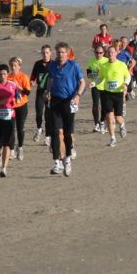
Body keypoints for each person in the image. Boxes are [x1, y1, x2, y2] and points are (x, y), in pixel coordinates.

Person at [45, 42, 86, 176]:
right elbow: (50, 79)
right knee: (56, 133)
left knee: (67, 134)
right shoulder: (52, 66)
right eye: (58, 52)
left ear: (67, 53)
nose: (60, 55)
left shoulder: (74, 66)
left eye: (63, 52)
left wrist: (78, 95)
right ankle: (57, 162)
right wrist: (48, 90)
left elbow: (82, 82)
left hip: (69, 101)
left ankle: (67, 158)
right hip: (55, 101)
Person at [0, 64, 18, 178]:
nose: (3, 76)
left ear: (8, 74)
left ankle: (4, 168)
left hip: (10, 116)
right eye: (0, 74)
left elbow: (18, 99)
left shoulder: (13, 85)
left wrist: (15, 101)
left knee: (7, 143)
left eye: (5, 74)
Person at [100, 45, 130, 148]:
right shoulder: (103, 66)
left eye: (112, 52)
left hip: (118, 93)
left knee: (118, 118)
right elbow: (100, 78)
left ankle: (122, 125)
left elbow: (128, 76)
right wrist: (94, 83)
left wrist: (125, 84)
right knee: (109, 116)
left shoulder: (122, 65)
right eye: (109, 52)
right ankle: (112, 138)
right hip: (108, 93)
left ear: (116, 53)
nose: (110, 54)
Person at [8, 57, 31, 160]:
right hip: (10, 106)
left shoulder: (23, 77)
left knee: (20, 128)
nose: (13, 67)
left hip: (22, 105)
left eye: (15, 65)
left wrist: (19, 87)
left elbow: (27, 92)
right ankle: (11, 150)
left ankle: (20, 147)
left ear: (19, 66)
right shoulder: (7, 77)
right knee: (11, 129)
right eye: (12, 65)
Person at [29, 45, 51, 145]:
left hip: (51, 93)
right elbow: (32, 77)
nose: (45, 54)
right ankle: (39, 129)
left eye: (47, 52)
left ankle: (47, 137)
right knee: (39, 113)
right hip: (40, 92)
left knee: (48, 115)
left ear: (50, 53)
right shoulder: (37, 64)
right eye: (43, 53)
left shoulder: (54, 64)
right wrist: (32, 82)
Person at [86, 45, 109, 133]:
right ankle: (96, 124)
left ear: (104, 53)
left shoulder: (106, 61)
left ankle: (102, 122)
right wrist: (92, 75)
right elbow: (88, 73)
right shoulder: (91, 61)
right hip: (95, 86)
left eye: (100, 53)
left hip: (105, 86)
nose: (98, 54)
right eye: (97, 52)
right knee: (95, 104)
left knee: (104, 106)